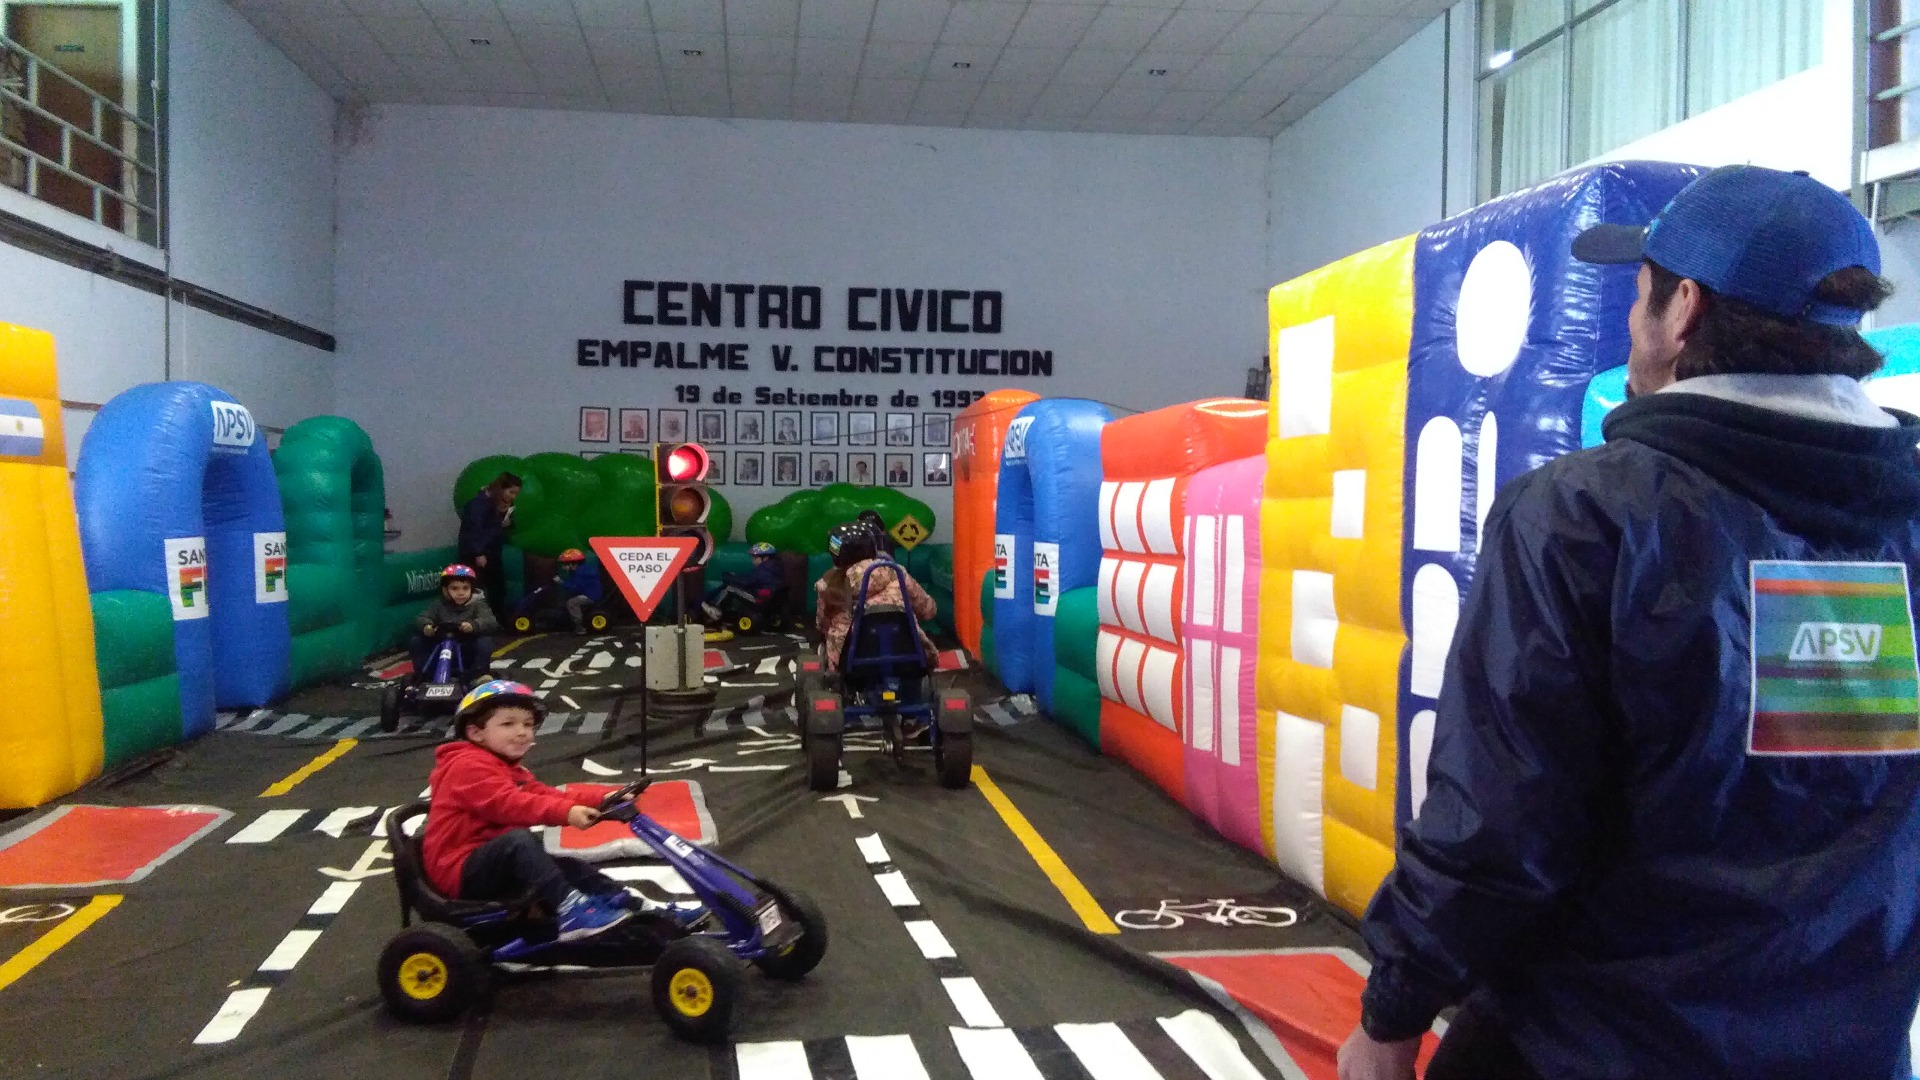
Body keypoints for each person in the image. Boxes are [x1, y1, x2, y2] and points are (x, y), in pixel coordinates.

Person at [1337, 166, 1920, 1080]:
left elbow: (1501, 821)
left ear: (1683, 310)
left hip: (1589, 1045)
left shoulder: (1586, 515)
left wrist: (1394, 1010)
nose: (1628, 327)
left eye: (1640, 293)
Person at [422, 681, 634, 941]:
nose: (522, 732)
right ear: (476, 733)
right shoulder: (466, 767)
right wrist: (566, 813)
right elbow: (509, 804)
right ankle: (572, 910)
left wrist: (602, 798)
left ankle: (629, 905)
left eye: (528, 724)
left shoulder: (508, 768)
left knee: (566, 866)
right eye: (508, 724)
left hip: (492, 862)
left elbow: (545, 794)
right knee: (518, 842)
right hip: (460, 869)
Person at [815, 520, 936, 671]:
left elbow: (822, 624)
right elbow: (928, 610)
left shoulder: (828, 584)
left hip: (852, 663)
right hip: (907, 654)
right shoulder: (897, 572)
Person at [412, 564, 499, 682]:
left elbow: (490, 621)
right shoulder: (438, 605)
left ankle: (478, 677)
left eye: (465, 588)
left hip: (466, 648)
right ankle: (425, 677)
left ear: (472, 589)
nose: (461, 593)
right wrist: (427, 627)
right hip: (441, 647)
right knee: (416, 641)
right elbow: (422, 617)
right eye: (454, 589)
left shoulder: (478, 605)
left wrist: (473, 625)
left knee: (484, 642)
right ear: (445, 590)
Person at [459, 472, 520, 607]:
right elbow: (474, 529)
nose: (513, 497)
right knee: (476, 591)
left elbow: (496, 527)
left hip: (493, 552)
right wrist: (478, 553)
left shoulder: (500, 504)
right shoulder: (478, 505)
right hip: (477, 554)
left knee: (497, 590)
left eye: (516, 494)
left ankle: (497, 616)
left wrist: (507, 522)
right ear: (501, 489)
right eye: (511, 492)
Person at [517, 548, 603, 633]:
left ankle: (579, 627)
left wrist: (561, 582)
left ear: (572, 564)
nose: (563, 567)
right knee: (564, 601)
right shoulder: (578, 571)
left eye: (565, 564)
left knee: (571, 603)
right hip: (586, 592)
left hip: (591, 595)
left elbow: (575, 587)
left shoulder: (582, 572)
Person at [701, 541, 787, 623]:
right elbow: (752, 579)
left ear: (765, 558)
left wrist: (729, 578)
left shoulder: (764, 570)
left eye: (755, 557)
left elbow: (746, 582)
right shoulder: (774, 569)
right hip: (769, 600)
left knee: (730, 588)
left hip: (759, 599)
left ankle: (715, 611)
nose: (753, 560)